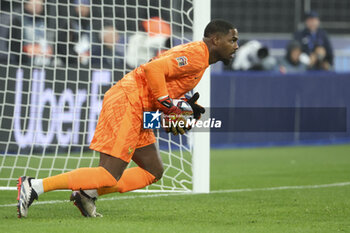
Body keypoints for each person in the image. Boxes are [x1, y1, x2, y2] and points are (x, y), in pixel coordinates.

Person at [16, 19, 239, 218]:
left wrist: (182, 107)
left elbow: (162, 85)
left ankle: (87, 193)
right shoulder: (198, 54)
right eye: (232, 40)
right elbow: (153, 69)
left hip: (141, 110)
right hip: (128, 101)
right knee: (109, 174)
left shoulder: (199, 58)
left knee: (153, 171)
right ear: (216, 39)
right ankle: (34, 186)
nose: (236, 46)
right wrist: (168, 104)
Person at [11, 0, 56, 66]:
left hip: (46, 64)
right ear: (25, 3)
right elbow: (14, 47)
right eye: (34, 1)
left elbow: (52, 45)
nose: (38, 4)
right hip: (24, 65)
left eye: (40, 2)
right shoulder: (17, 20)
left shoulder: (47, 21)